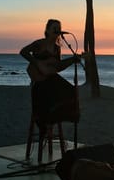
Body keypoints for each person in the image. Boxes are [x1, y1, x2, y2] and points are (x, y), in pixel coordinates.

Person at [20, 19, 80, 162]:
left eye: (59, 28)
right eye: (54, 28)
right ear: (47, 30)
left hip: (51, 80)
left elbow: (57, 67)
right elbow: (23, 52)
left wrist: (73, 60)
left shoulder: (57, 47)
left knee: (71, 90)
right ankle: (45, 123)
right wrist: (37, 64)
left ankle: (56, 118)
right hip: (40, 84)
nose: (57, 30)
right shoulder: (39, 43)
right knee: (50, 90)